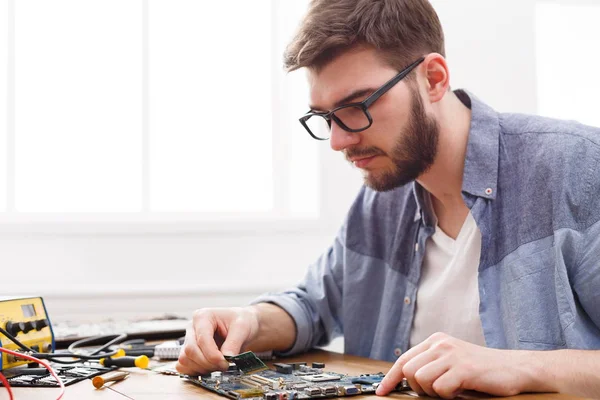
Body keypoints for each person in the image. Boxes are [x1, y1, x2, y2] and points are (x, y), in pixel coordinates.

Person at [176, 0, 600, 398]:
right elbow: (312, 307)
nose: (339, 140)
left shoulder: (573, 168)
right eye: (325, 117)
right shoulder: (381, 200)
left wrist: (525, 367)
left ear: (433, 78)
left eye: (358, 106)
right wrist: (247, 323)